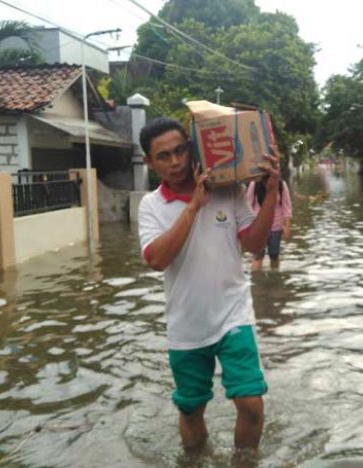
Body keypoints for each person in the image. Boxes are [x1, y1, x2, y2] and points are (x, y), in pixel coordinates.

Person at [137, 117, 281, 452]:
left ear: (191, 147)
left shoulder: (229, 190)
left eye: (179, 151)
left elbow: (255, 246)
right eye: (163, 156)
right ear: (149, 161)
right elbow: (157, 260)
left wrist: (271, 192)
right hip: (187, 325)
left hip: (234, 316)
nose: (175, 162)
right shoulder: (151, 206)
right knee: (191, 409)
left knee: (251, 406)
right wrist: (193, 207)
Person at [246, 177, 292, 271]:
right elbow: (247, 206)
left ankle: (274, 280)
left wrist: (287, 227)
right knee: (258, 256)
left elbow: (286, 208)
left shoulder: (281, 185)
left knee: (274, 256)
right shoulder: (254, 184)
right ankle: (257, 283)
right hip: (258, 227)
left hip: (276, 227)